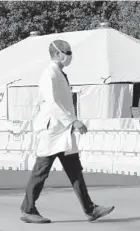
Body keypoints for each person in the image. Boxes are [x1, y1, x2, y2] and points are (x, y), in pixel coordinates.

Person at [20, 40, 114, 224]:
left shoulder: (59, 74)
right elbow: (52, 103)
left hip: (62, 131)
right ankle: (28, 209)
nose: (70, 55)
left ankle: (90, 210)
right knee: (41, 171)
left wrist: (71, 123)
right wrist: (74, 121)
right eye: (67, 52)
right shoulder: (49, 75)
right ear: (57, 53)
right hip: (52, 131)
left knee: (75, 171)